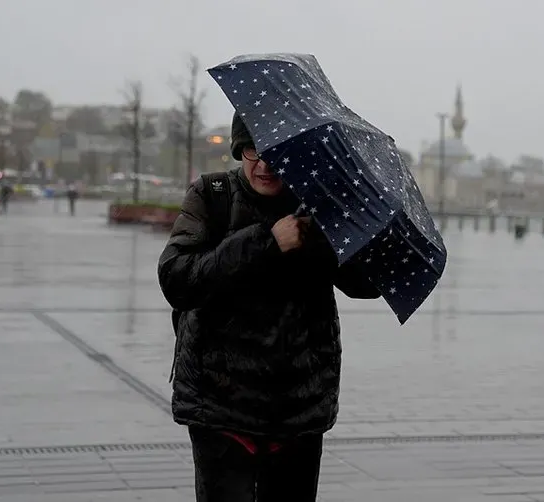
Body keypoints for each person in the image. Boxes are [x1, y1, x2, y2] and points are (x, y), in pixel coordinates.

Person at [157, 113, 380, 502]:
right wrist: (265, 241)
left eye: (277, 152)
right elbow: (178, 279)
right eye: (252, 149)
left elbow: (366, 286)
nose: (264, 163)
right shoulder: (212, 196)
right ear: (238, 149)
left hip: (298, 407)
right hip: (220, 407)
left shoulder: (319, 206)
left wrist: (333, 234)